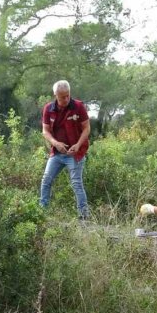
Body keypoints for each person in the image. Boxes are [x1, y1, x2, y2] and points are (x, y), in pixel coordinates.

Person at [39, 80, 91, 219]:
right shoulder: (48, 109)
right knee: (46, 180)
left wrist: (78, 145)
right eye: (62, 96)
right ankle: (41, 213)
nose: (66, 99)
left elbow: (86, 128)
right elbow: (45, 131)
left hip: (75, 154)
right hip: (57, 153)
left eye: (68, 95)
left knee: (76, 184)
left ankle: (84, 217)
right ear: (56, 95)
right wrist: (56, 143)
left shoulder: (78, 106)